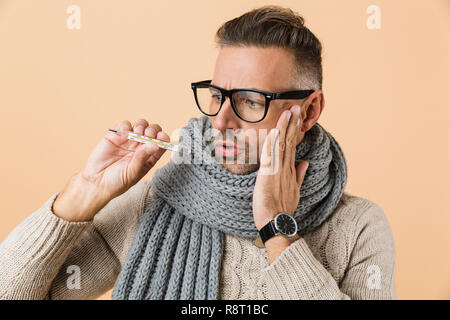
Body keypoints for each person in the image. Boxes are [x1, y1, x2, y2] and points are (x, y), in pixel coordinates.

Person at [0, 5, 395, 300]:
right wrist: (82, 193)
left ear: (309, 111)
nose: (221, 121)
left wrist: (277, 226)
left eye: (251, 101)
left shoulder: (358, 226)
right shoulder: (155, 201)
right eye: (217, 96)